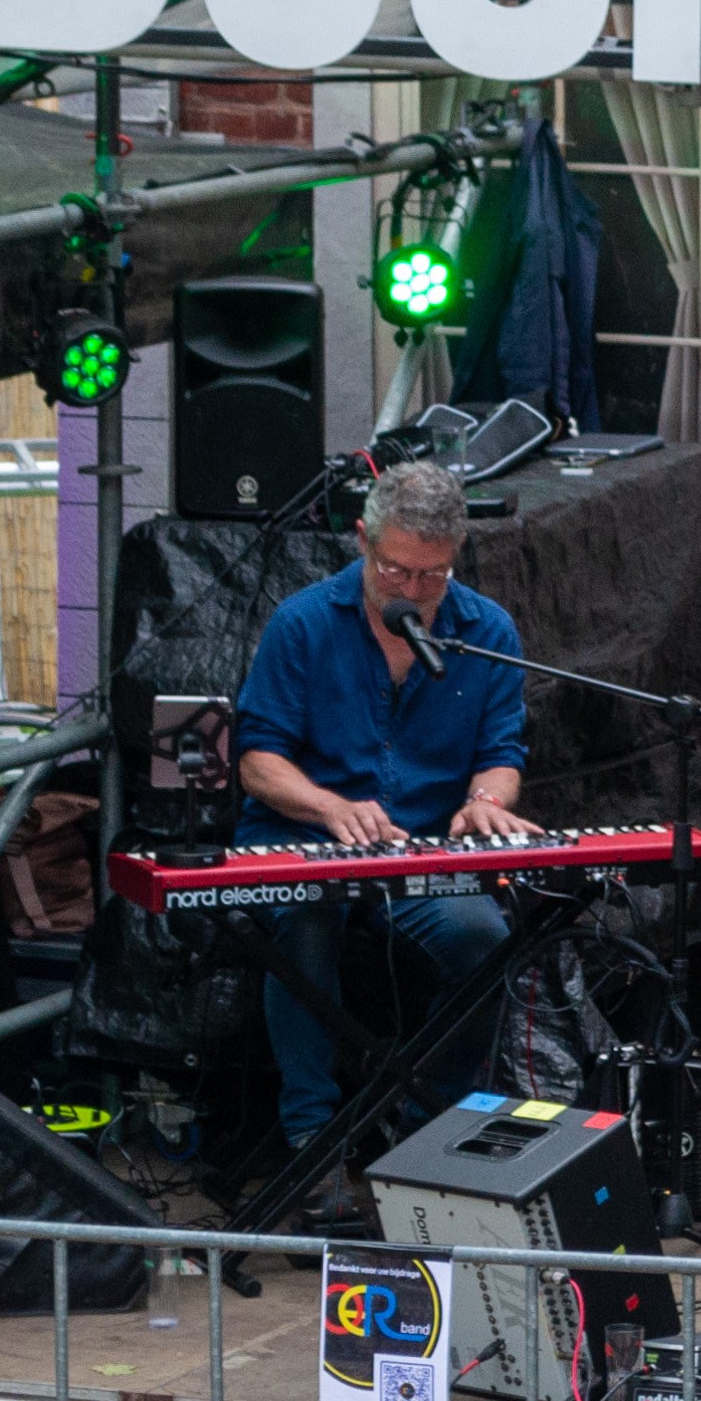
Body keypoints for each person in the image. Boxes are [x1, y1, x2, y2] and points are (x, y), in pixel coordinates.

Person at [227, 461, 534, 1223]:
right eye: (395, 567)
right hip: (305, 839)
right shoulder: (302, 622)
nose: (412, 589)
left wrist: (483, 803)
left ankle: (429, 1133)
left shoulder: (484, 631)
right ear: (362, 538)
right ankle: (315, 1142)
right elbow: (257, 759)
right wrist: (329, 806)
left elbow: (502, 753)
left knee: (483, 938)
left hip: (421, 851)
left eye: (432, 574)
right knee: (304, 922)